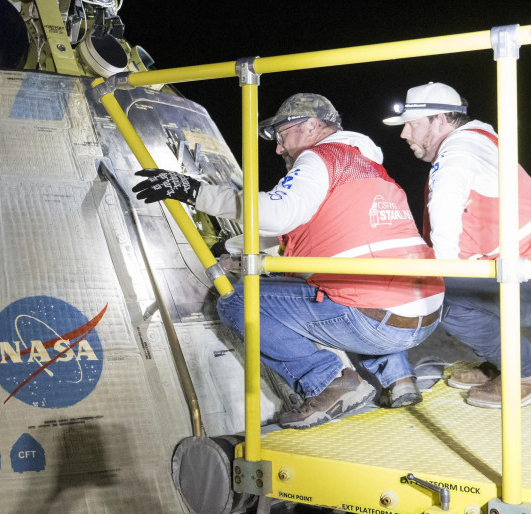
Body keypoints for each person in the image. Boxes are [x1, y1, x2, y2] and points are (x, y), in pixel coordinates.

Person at [132, 93, 444, 429]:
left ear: (312, 126)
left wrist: (193, 191)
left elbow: (278, 215)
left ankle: (327, 382)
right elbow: (299, 237)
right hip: (425, 312)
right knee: (359, 287)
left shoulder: (320, 158)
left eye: (283, 135)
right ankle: (399, 381)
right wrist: (234, 251)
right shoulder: (368, 167)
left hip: (375, 319)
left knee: (238, 301)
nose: (279, 148)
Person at [380, 81, 531, 408]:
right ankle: (500, 364)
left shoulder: (460, 150)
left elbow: (445, 205)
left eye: (411, 124)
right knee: (452, 290)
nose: (404, 134)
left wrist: (441, 273)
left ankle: (530, 372)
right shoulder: (479, 142)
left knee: (441, 297)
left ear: (440, 120)